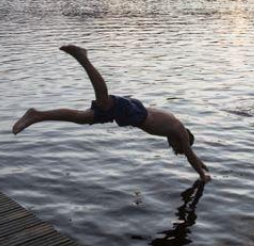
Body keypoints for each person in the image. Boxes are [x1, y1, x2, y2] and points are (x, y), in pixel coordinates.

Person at [13, 45, 211, 182]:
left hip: (131, 113)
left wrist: (201, 164)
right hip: (134, 111)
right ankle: (83, 58)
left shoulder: (175, 130)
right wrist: (203, 176)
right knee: (102, 99)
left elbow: (192, 155)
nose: (177, 149)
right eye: (178, 149)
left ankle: (37, 115)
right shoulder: (180, 132)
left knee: (83, 118)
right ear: (185, 139)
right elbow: (190, 155)